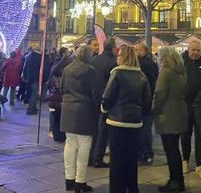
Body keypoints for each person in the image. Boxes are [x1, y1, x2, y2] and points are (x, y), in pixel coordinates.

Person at [101, 45, 152, 193]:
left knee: (117, 159)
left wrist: (104, 109)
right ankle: (132, 187)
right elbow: (147, 101)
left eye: (119, 56)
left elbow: (107, 97)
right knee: (131, 157)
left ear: (123, 57)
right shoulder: (141, 76)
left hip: (117, 121)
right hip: (135, 122)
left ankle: (118, 189)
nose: (117, 58)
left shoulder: (117, 74)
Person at [61, 45, 98, 193]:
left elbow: (62, 88)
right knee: (84, 145)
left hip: (68, 108)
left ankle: (69, 179)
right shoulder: (90, 71)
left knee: (70, 144)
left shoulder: (67, 69)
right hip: (84, 109)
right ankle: (80, 181)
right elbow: (95, 93)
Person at [153, 47, 188, 192]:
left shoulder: (165, 72)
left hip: (167, 114)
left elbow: (160, 93)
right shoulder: (181, 72)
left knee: (170, 149)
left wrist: (153, 109)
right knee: (175, 149)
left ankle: (175, 181)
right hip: (180, 111)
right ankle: (178, 179)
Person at [181, 40, 201, 177]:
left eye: (198, 50)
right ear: (188, 49)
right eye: (193, 50)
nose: (195, 53)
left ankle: (200, 164)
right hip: (185, 105)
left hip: (200, 107)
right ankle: (185, 160)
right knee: (185, 134)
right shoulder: (181, 63)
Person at [90, 38, 117, 167]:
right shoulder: (113, 62)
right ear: (113, 48)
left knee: (95, 128)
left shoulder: (94, 60)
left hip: (94, 97)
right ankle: (97, 158)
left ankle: (91, 155)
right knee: (103, 130)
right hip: (106, 99)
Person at [135, 42, 158, 164]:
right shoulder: (152, 64)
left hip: (143, 102)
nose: (136, 52)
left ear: (143, 51)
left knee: (144, 129)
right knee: (147, 129)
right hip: (147, 102)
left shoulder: (143, 65)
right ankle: (147, 153)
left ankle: (144, 152)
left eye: (137, 49)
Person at [48, 47, 71, 142]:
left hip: (55, 95)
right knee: (57, 115)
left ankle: (56, 133)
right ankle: (57, 133)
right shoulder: (60, 65)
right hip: (59, 95)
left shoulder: (56, 64)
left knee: (56, 115)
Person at [23, 43, 43, 114]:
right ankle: (31, 109)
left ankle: (33, 107)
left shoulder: (29, 56)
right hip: (36, 78)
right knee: (34, 93)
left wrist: (25, 76)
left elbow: (25, 67)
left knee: (32, 92)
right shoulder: (39, 57)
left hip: (29, 77)